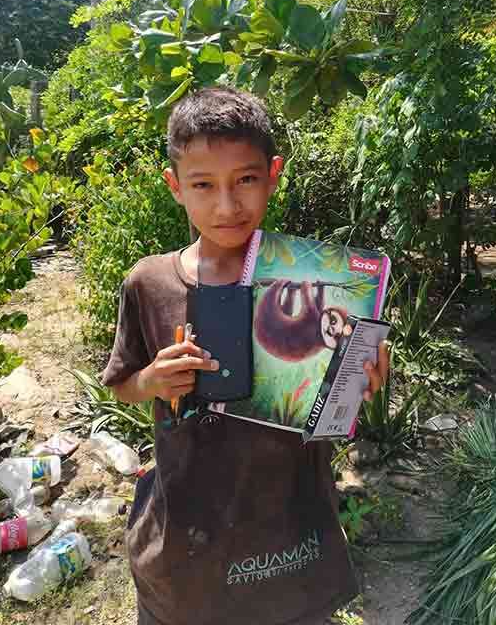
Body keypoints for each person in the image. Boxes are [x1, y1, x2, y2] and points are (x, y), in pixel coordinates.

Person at [102, 86, 390, 625]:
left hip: (290, 543)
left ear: (273, 174)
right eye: (204, 185)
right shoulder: (149, 282)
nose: (227, 205)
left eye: (247, 180)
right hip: (184, 549)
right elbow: (122, 380)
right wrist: (152, 382)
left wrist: (360, 376)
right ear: (175, 187)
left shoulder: (316, 283)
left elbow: (332, 408)